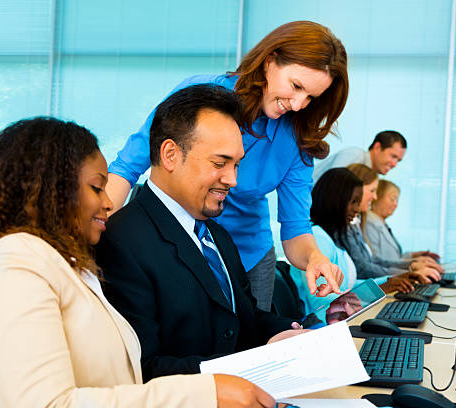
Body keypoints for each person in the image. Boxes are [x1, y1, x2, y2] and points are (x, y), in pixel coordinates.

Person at [0, 117, 276, 407]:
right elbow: (49, 404)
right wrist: (207, 392)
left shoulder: (70, 269)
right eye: (97, 187)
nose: (108, 203)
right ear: (49, 190)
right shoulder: (14, 262)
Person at [105, 20, 348, 311]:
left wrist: (315, 258)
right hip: (172, 248)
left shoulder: (296, 138)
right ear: (270, 61)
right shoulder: (200, 95)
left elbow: (295, 228)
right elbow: (127, 167)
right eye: (296, 86)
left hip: (247, 256)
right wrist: (94, 235)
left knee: (250, 344)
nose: (297, 104)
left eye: (310, 97)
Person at [96, 85, 310, 383]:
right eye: (220, 164)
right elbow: (142, 369)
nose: (233, 180)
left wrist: (295, 333)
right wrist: (247, 367)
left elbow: (244, 319)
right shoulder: (121, 242)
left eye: (237, 165)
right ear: (170, 155)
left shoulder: (218, 236)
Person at [290, 168, 437, 320]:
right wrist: (381, 288)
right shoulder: (318, 240)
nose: (356, 209)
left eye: (358, 202)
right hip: (320, 328)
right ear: (335, 199)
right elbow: (321, 304)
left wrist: (389, 281)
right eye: (353, 202)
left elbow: (347, 287)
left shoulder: (332, 238)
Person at [343, 164, 443, 280]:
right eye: (392, 199)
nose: (374, 196)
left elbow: (374, 260)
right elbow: (363, 268)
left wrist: (412, 264)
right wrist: (408, 272)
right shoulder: (358, 224)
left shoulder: (355, 223)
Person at [367, 179, 440, 262]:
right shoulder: (369, 224)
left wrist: (413, 255)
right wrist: (413, 262)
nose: (395, 204)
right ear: (377, 197)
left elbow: (394, 257)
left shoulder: (382, 224)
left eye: (397, 200)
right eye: (392, 199)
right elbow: (379, 262)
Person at [312, 130, 407, 183]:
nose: (395, 164)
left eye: (398, 160)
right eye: (393, 156)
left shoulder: (372, 176)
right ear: (377, 147)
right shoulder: (354, 155)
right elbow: (331, 188)